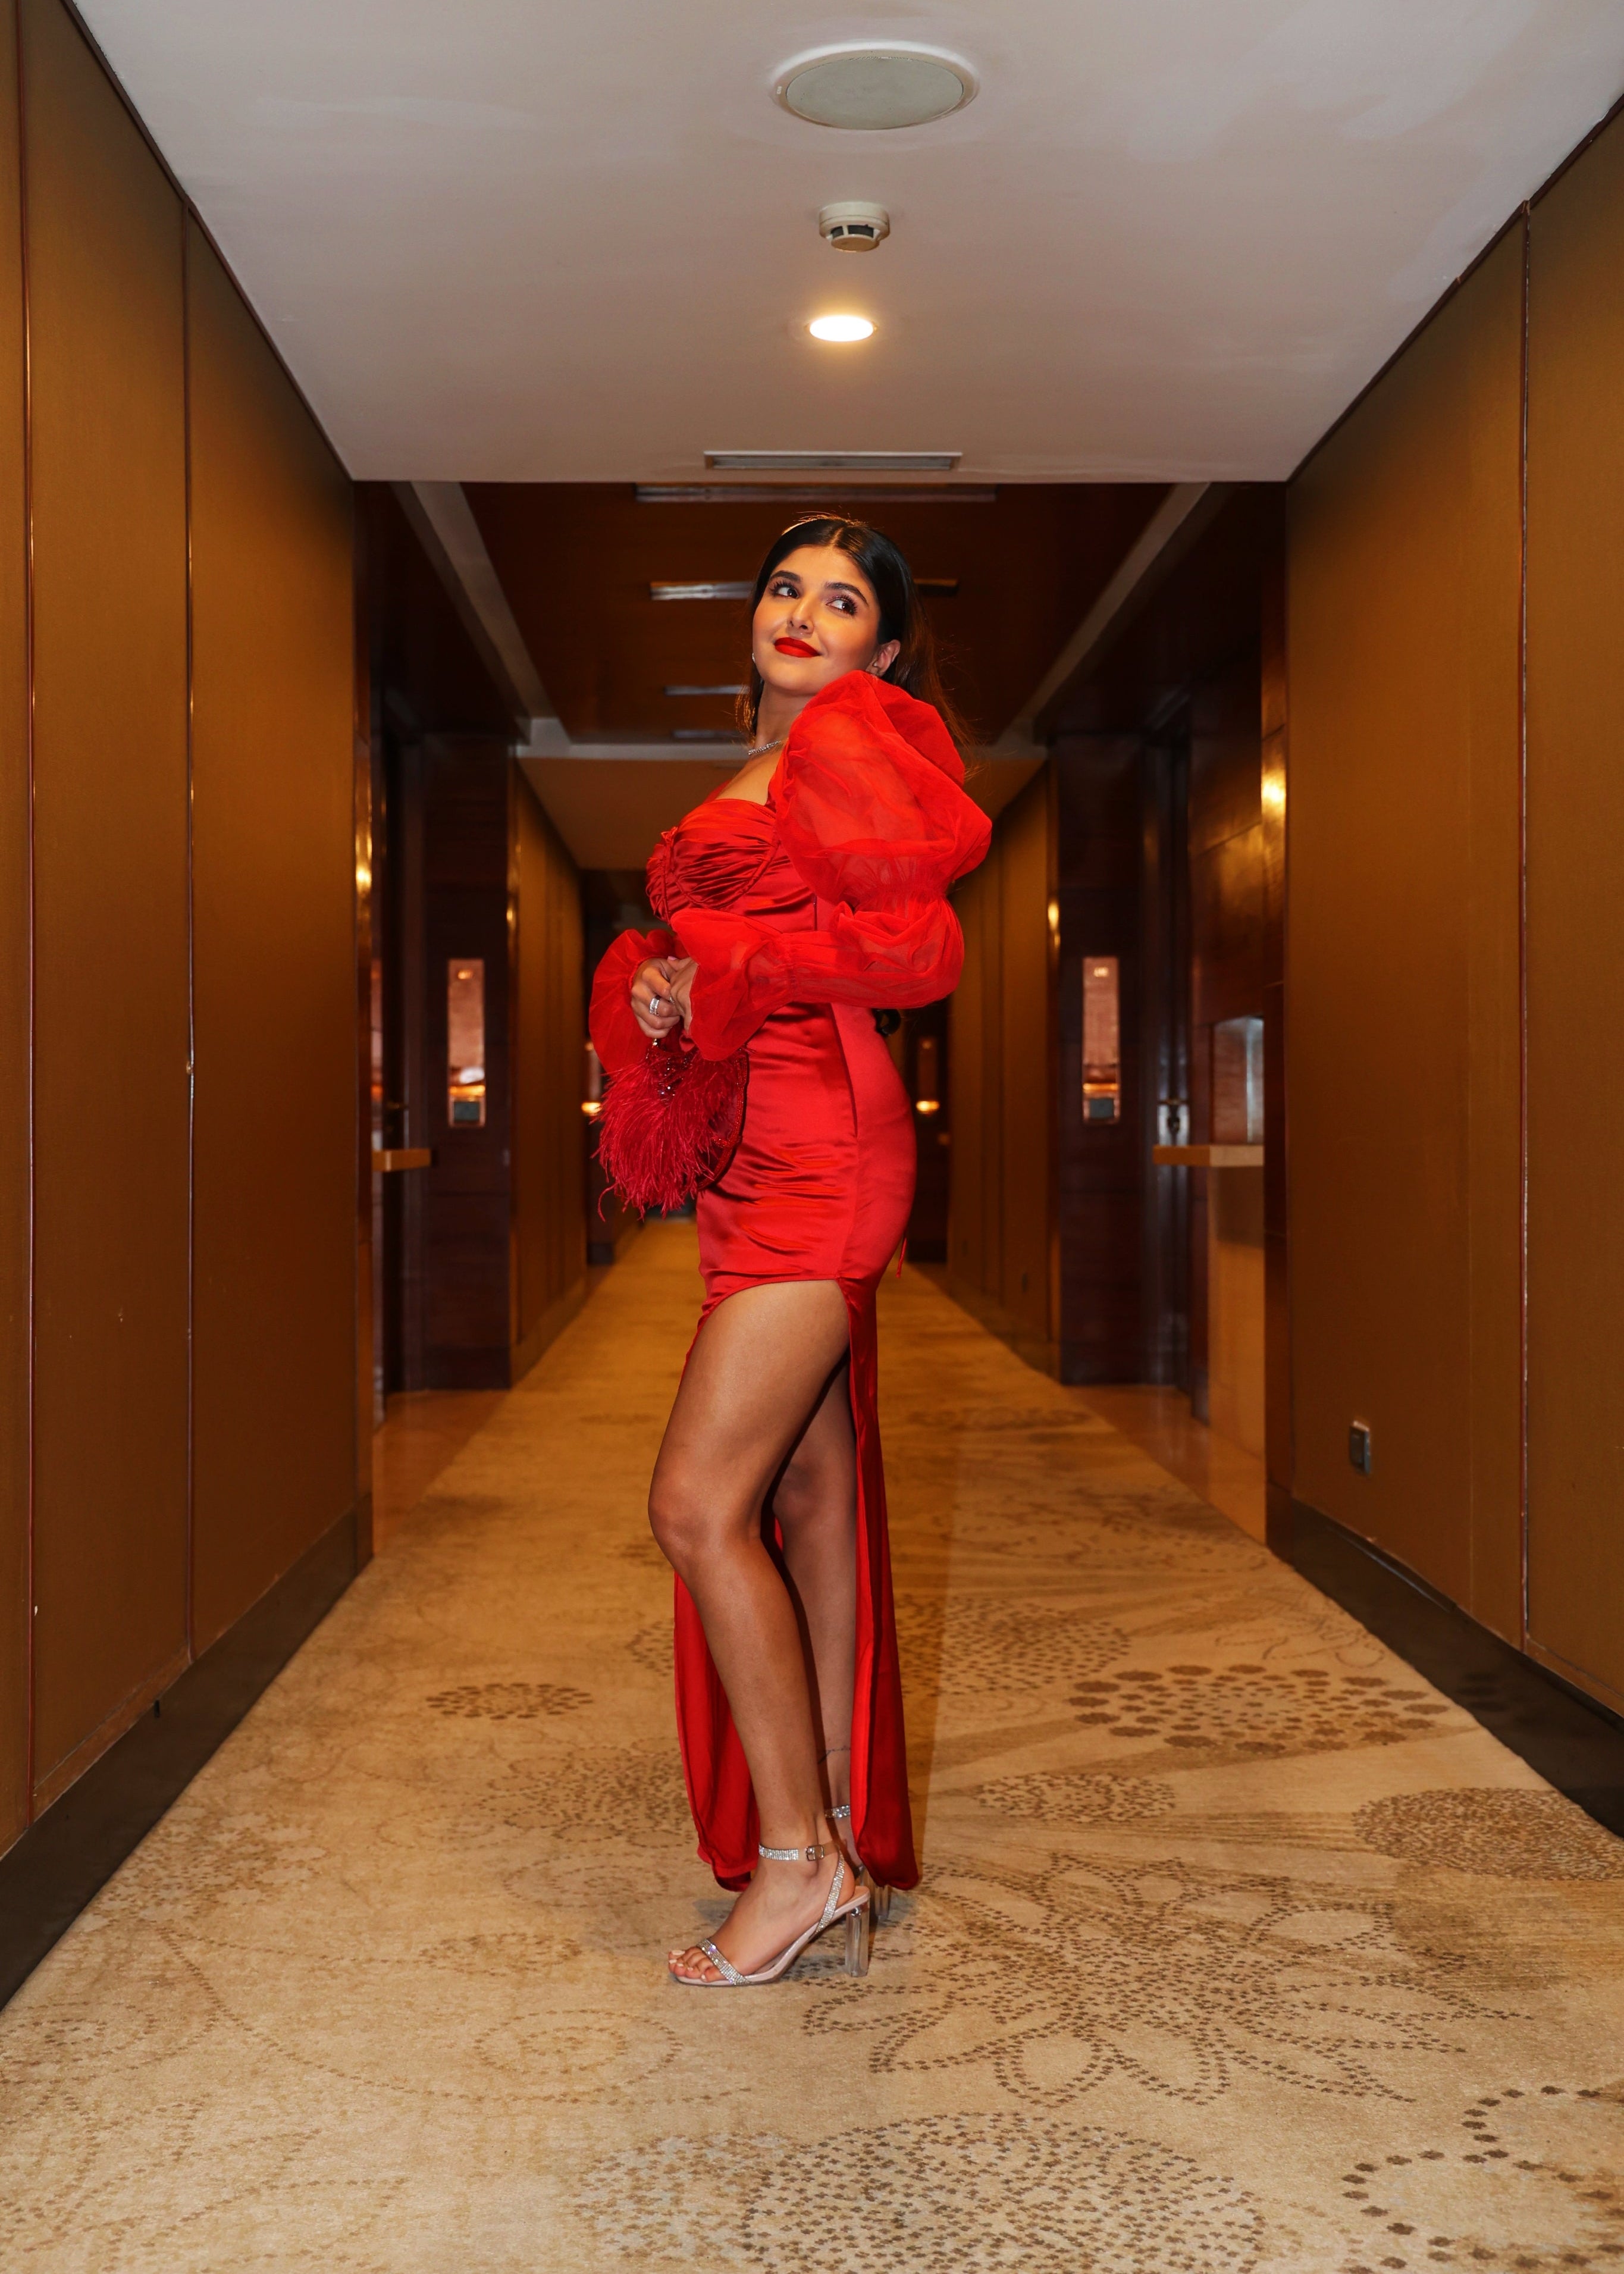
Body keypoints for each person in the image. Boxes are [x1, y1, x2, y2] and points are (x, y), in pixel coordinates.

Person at [589, 516, 990, 1987]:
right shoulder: (757, 768)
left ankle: (796, 1862)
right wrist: (668, 994)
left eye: (841, 603)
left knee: (696, 1506)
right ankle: (831, 1825)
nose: (803, 614)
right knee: (807, 1494)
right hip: (756, 1153)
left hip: (826, 1147)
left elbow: (919, 955)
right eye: (784, 589)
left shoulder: (855, 747)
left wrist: (738, 967)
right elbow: (749, 952)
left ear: (883, 651)